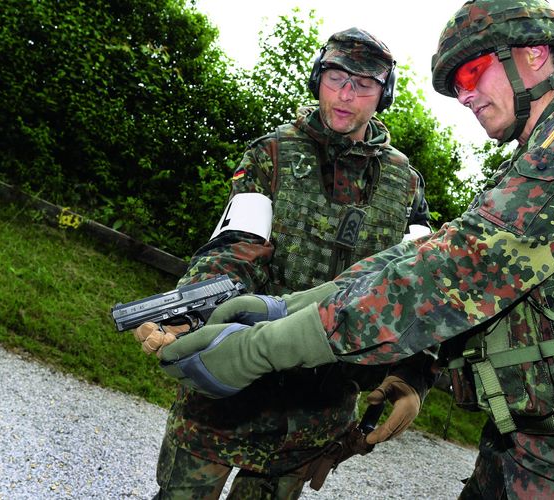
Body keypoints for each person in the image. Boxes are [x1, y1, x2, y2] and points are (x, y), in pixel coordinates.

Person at [150, 1, 554, 498]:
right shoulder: (279, 152)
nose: (467, 95)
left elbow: (458, 271)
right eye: (456, 85)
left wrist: (265, 347)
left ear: (534, 55)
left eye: (474, 73)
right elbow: (411, 265)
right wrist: (278, 308)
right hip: (533, 446)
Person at [133, 27, 435, 499]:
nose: (345, 94)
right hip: (232, 388)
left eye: (364, 84)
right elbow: (236, 248)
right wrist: (191, 309)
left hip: (315, 415)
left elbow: (420, 288)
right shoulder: (271, 154)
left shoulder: (407, 185)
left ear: (385, 93)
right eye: (336, 77)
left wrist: (415, 377)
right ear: (318, 79)